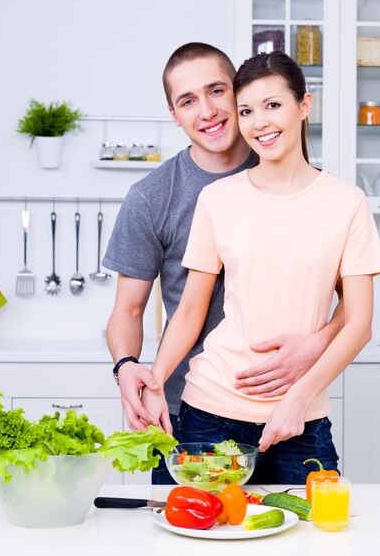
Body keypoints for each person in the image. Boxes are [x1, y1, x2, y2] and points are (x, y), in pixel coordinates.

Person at [103, 43, 346, 484]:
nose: (208, 111)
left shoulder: (299, 179)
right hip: (189, 409)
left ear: (238, 94)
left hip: (290, 400)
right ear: (174, 115)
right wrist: (128, 368)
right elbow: (128, 310)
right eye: (188, 101)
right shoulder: (151, 198)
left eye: (217, 91)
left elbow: (353, 304)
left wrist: (318, 342)